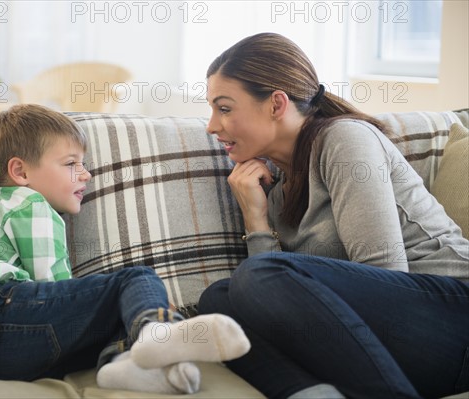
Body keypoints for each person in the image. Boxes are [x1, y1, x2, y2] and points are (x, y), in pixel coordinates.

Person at [198, 32, 469, 399]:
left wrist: (266, 273)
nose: (212, 126)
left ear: (276, 103)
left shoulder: (344, 139)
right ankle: (311, 393)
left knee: (258, 275)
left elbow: (384, 279)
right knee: (220, 301)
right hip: (389, 344)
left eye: (224, 108)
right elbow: (265, 308)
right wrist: (256, 221)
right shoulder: (275, 189)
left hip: (451, 319)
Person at [0, 104, 251, 394]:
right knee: (135, 279)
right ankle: (157, 331)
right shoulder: (28, 204)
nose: (86, 174)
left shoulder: (6, 209)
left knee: (115, 318)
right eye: (71, 163)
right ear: (21, 172)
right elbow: (53, 284)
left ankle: (122, 367)